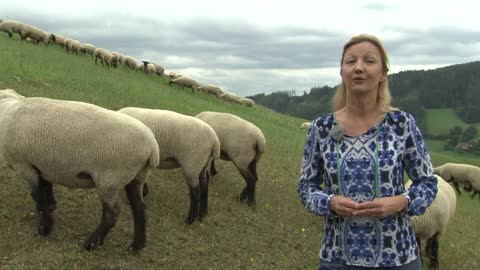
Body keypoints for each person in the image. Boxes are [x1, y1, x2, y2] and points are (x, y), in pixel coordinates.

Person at [297, 34, 438, 269]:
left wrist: (401, 201)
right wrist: (329, 201)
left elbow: (428, 183)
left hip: (398, 257)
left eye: (369, 61)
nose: (359, 68)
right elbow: (306, 187)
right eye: (351, 61)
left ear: (383, 73)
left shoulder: (401, 124)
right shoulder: (322, 128)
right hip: (337, 258)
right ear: (342, 71)